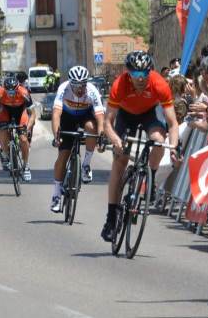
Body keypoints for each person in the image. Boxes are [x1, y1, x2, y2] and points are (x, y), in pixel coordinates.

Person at [100, 50, 179, 242]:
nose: (141, 79)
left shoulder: (159, 83)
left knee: (159, 140)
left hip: (148, 114)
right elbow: (107, 123)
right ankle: (111, 218)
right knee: (120, 161)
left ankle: (149, 176)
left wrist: (175, 146)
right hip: (125, 117)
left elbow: (173, 123)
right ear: (129, 73)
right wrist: (115, 140)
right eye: (136, 74)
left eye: (145, 73)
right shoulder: (120, 85)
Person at [49, 66, 105, 213]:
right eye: (76, 85)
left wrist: (101, 137)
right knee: (63, 156)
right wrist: (56, 136)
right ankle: (56, 194)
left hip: (85, 115)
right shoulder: (63, 89)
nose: (80, 88)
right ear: (70, 83)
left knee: (92, 128)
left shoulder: (92, 91)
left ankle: (85, 165)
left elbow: (100, 117)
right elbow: (56, 114)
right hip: (67, 118)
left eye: (82, 85)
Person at [0, 76, 33, 181]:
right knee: (2, 130)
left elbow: (33, 115)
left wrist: (28, 127)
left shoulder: (24, 93)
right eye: (8, 92)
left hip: (21, 112)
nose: (11, 95)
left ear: (18, 88)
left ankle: (26, 166)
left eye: (13, 92)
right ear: (4, 89)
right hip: (5, 112)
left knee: (23, 139)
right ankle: (5, 155)